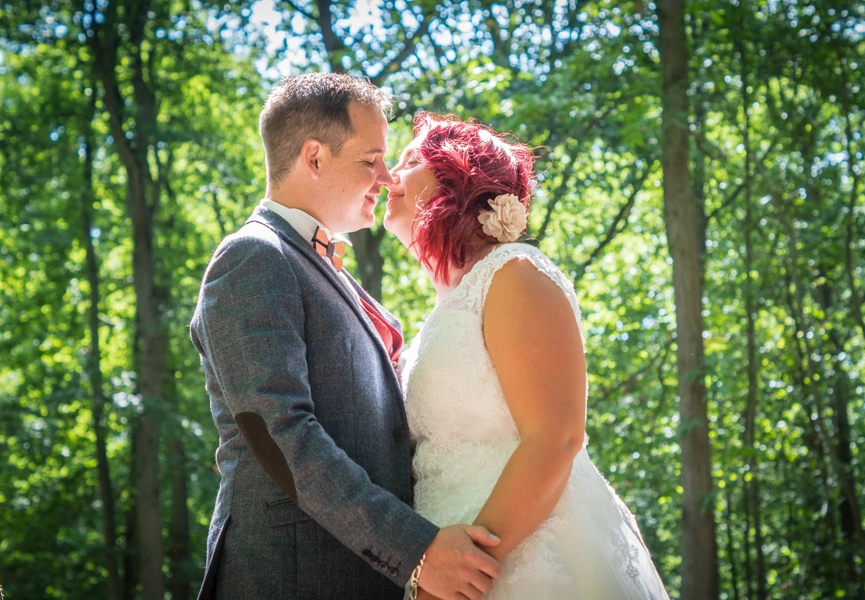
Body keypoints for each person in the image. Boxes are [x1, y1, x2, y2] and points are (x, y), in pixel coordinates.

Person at [189, 74, 501, 600]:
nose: (385, 177)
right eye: (370, 159)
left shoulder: (318, 262)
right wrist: (416, 550)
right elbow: (279, 435)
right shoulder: (254, 257)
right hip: (292, 578)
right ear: (314, 158)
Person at [383, 113, 671, 599]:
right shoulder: (446, 307)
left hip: (518, 565)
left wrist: (470, 569)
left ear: (455, 177)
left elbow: (556, 437)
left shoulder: (513, 273)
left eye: (411, 161)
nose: (390, 174)